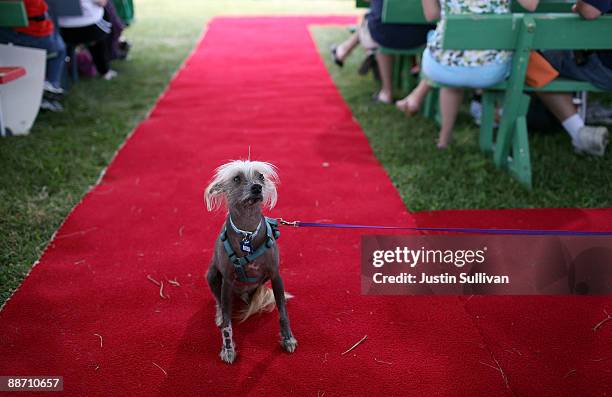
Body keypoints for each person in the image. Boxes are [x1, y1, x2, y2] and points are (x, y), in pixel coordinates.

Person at [396, 0, 538, 148]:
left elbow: (432, 15)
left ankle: (445, 138)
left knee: (450, 61)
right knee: (465, 55)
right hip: (492, 69)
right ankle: (492, 115)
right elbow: (531, 5)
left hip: (444, 66)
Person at [535, 0, 610, 156]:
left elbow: (590, 11)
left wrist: (581, 6)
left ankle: (578, 132)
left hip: (605, 69)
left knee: (534, 57)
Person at [0, 0, 67, 111]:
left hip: (11, 33)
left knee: (57, 41)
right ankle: (51, 85)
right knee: (59, 48)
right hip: (35, 34)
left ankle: (48, 86)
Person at [58, 0, 117, 80]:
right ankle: (104, 70)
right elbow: (102, 2)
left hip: (62, 29)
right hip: (89, 28)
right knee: (106, 29)